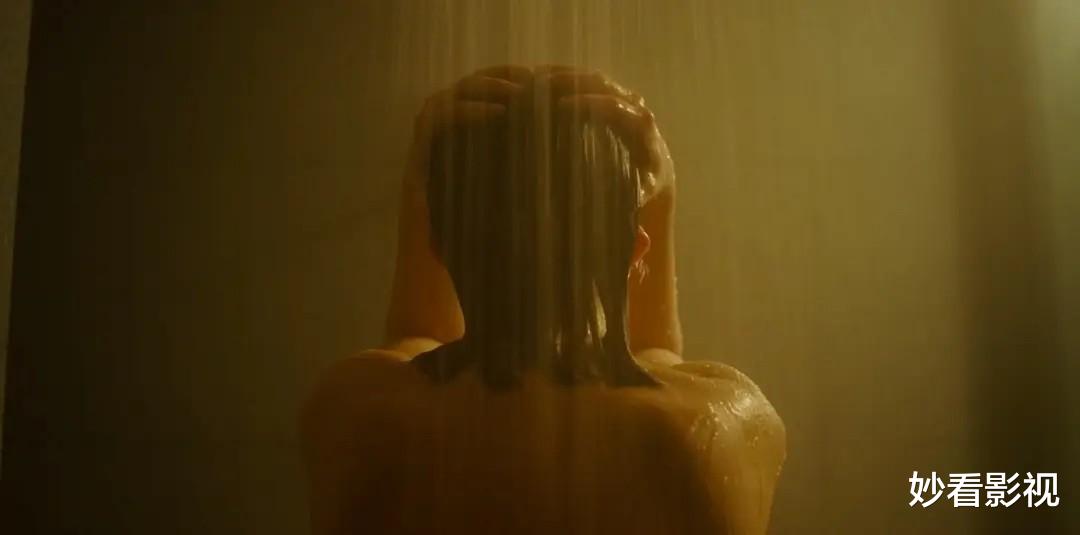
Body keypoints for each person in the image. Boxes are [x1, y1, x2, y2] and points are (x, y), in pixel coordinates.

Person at [300, 64, 785, 535]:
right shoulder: (714, 422)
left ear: (439, 244)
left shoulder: (359, 410)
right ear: (637, 248)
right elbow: (657, 362)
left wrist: (421, 186)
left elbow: (417, 340)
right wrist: (660, 194)